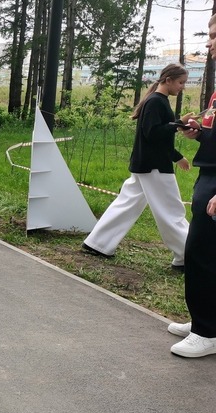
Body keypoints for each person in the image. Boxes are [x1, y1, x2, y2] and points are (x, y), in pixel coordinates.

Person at [81, 63, 190, 272]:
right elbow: (153, 134)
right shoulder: (157, 102)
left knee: (127, 203)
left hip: (146, 164)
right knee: (171, 210)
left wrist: (177, 148)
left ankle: (98, 243)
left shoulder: (157, 101)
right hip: (154, 167)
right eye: (181, 82)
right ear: (168, 80)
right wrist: (178, 125)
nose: (182, 87)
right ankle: (188, 255)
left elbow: (155, 135)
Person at [168, 14, 216, 357]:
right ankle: (204, 318)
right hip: (209, 173)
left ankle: (207, 331)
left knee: (201, 254)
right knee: (203, 253)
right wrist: (199, 133)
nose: (210, 42)